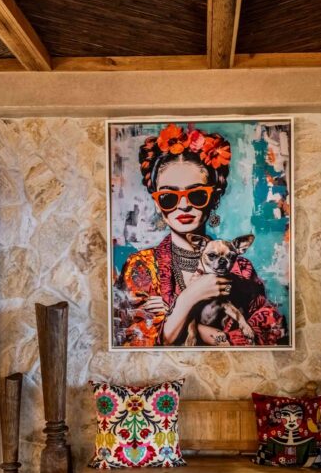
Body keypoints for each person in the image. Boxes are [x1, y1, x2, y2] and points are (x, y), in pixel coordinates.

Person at [114, 123, 286, 347]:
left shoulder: (241, 270)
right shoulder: (140, 268)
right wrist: (189, 298)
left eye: (196, 195)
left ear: (213, 199)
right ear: (157, 204)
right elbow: (128, 343)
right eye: (168, 197)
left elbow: (272, 335)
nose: (184, 206)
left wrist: (197, 329)